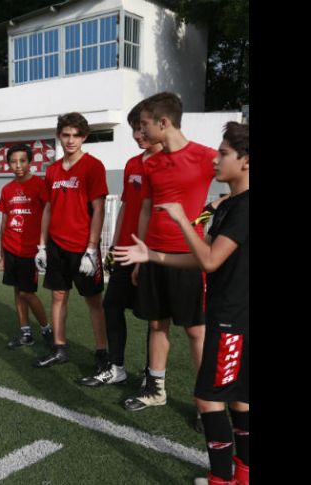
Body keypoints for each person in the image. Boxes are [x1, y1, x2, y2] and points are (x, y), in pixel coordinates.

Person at [114, 122, 249, 485]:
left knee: (208, 401)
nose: (216, 160)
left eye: (224, 154)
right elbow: (204, 257)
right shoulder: (229, 205)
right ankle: (243, 476)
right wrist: (153, 255)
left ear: (246, 161)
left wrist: (180, 219)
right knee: (239, 399)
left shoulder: (242, 208)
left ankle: (222, 479)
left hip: (232, 320)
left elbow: (208, 261)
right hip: (232, 315)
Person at [121, 92, 218, 417]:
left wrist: (206, 215)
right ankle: (156, 389)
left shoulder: (206, 156)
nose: (141, 132)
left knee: (196, 331)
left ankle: (207, 403)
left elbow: (239, 184)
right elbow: (146, 209)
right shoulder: (151, 163)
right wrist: (141, 253)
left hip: (188, 257)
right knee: (156, 324)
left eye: (145, 125)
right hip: (153, 256)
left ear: (163, 123)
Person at [78, 102, 162, 386]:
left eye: (141, 128)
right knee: (112, 305)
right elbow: (126, 206)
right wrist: (113, 246)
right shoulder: (132, 164)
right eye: (133, 130)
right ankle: (117, 367)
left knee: (154, 319)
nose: (137, 135)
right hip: (125, 250)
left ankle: (152, 376)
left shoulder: (172, 162)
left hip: (153, 253)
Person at [33, 112, 109, 378]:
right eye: (66, 135)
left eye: (76, 135)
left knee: (93, 301)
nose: (71, 140)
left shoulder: (93, 166)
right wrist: (41, 245)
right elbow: (48, 209)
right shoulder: (52, 170)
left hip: (83, 247)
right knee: (57, 296)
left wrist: (92, 247)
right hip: (56, 245)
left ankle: (102, 354)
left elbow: (99, 210)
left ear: (84, 137)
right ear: (59, 136)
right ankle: (59, 348)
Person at [0, 144, 51, 349]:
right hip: (11, 248)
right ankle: (26, 333)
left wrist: (44, 247)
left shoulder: (39, 185)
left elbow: (48, 214)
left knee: (27, 292)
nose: (18, 165)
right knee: (17, 291)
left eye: (22, 161)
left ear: (30, 162)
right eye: (13, 161)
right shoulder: (7, 189)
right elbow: (4, 222)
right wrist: (2, 254)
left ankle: (46, 329)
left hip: (30, 250)